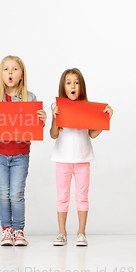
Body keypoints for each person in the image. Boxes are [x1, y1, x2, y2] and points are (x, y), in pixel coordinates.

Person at [0, 55, 47, 246]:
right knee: (3, 193)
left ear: (22, 75)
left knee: (17, 194)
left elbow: (35, 126)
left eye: (15, 69)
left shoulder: (29, 98)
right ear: (1, 74)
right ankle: (6, 230)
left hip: (20, 154)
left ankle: (18, 230)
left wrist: (42, 119)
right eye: (6, 69)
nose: (10, 72)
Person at [49, 68, 113, 247]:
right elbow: (53, 135)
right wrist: (54, 118)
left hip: (83, 159)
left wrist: (106, 119)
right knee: (62, 197)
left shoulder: (87, 108)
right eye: (68, 82)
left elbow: (92, 134)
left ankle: (81, 232)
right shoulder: (58, 107)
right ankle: (62, 232)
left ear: (81, 87)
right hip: (62, 159)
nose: (73, 86)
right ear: (63, 86)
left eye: (76, 82)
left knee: (82, 197)